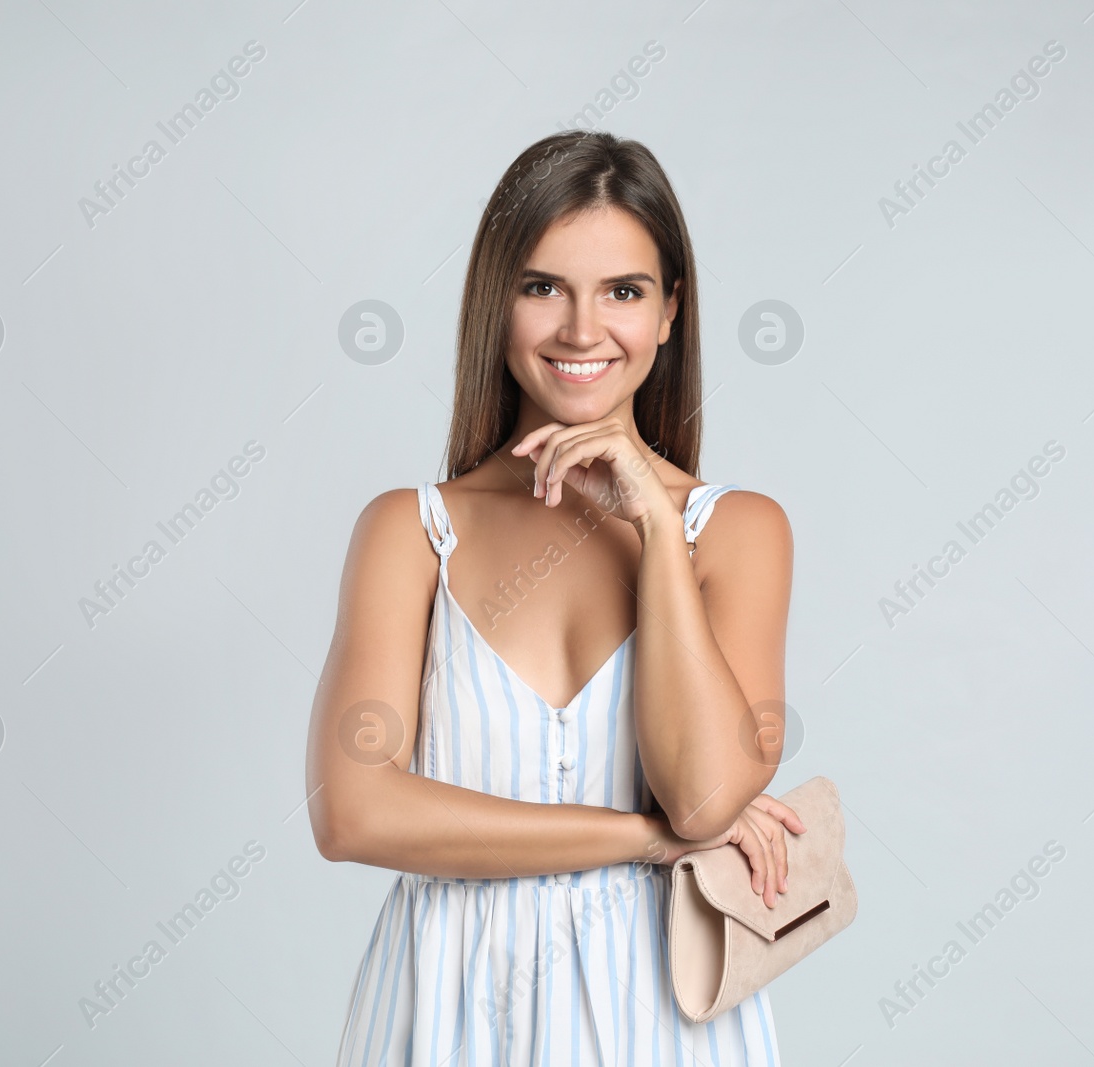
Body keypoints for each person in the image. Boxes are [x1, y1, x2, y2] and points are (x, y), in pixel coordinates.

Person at [307, 129, 802, 1066]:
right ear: (495, 306)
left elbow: (702, 799)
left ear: (669, 313)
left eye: (624, 290)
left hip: (667, 1021)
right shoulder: (408, 530)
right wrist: (638, 839)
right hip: (444, 1009)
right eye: (543, 287)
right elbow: (354, 813)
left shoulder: (736, 533)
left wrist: (656, 524)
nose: (583, 329)